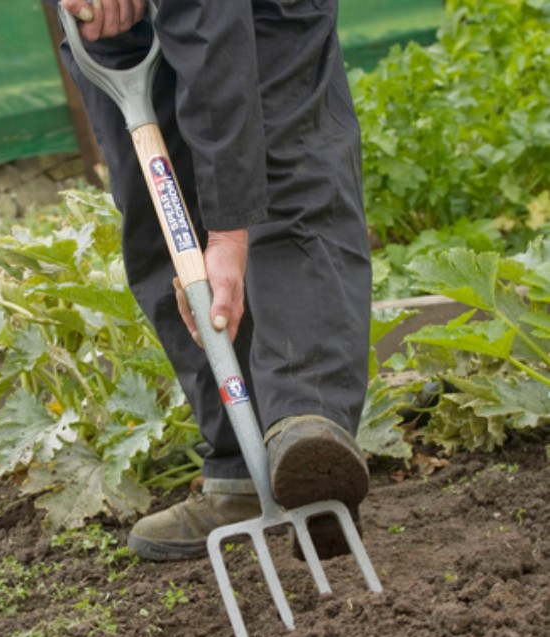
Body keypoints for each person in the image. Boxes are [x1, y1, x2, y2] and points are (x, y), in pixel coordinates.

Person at [47, 0, 372, 562]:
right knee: (156, 212)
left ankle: (304, 425)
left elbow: (210, 23)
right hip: (106, 23)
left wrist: (227, 234)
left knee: (287, 161)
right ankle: (242, 466)